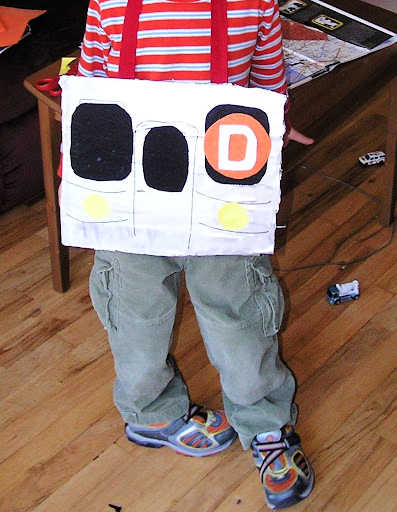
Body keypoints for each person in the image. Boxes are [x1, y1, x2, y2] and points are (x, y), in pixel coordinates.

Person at [74, 0, 315, 509]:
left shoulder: (256, 3)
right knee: (135, 313)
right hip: (130, 194)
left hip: (219, 189)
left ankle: (264, 422)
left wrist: (276, 122)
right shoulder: (110, 2)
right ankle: (151, 410)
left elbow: (268, 76)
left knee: (238, 311)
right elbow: (91, 80)